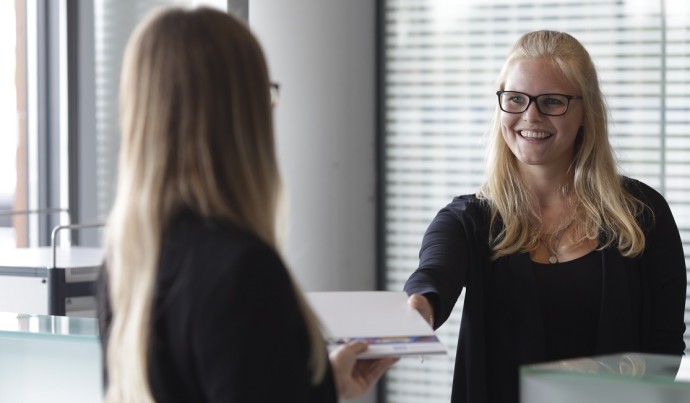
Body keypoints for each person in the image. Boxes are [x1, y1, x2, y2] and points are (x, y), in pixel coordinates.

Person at [97, 6, 396, 402]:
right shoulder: (242, 271)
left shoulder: (124, 263)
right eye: (266, 97)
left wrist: (325, 387)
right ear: (242, 117)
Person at [405, 30, 687, 403]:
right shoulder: (467, 220)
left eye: (552, 101)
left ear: (586, 110)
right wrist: (417, 310)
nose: (530, 115)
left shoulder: (643, 214)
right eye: (516, 99)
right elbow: (433, 277)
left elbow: (665, 348)